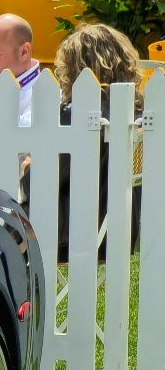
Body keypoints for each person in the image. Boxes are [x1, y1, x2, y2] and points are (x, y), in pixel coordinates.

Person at [21, 23, 144, 264]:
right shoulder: (134, 112)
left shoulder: (76, 114)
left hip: (72, 233)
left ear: (73, 68)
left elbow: (44, 182)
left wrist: (28, 169)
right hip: (119, 229)